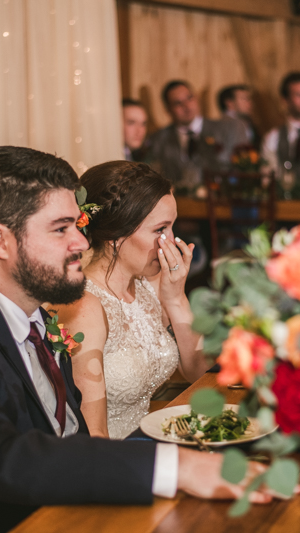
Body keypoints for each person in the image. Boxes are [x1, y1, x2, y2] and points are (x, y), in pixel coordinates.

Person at [0, 146, 272, 532]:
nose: (81, 242)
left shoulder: (36, 312)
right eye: (61, 229)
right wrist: (174, 468)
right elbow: (1, 460)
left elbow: (68, 432)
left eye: (77, 224)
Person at [54, 161, 206, 439]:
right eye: (160, 229)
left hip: (151, 440)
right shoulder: (84, 308)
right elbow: (93, 435)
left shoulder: (150, 283)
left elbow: (199, 372)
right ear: (116, 236)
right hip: (112, 460)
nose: (171, 241)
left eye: (172, 227)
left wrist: (176, 298)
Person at [149, 80, 247, 191]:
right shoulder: (158, 140)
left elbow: (243, 171)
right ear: (168, 109)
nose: (186, 106)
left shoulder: (227, 130)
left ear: (197, 98)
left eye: (189, 98)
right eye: (178, 103)